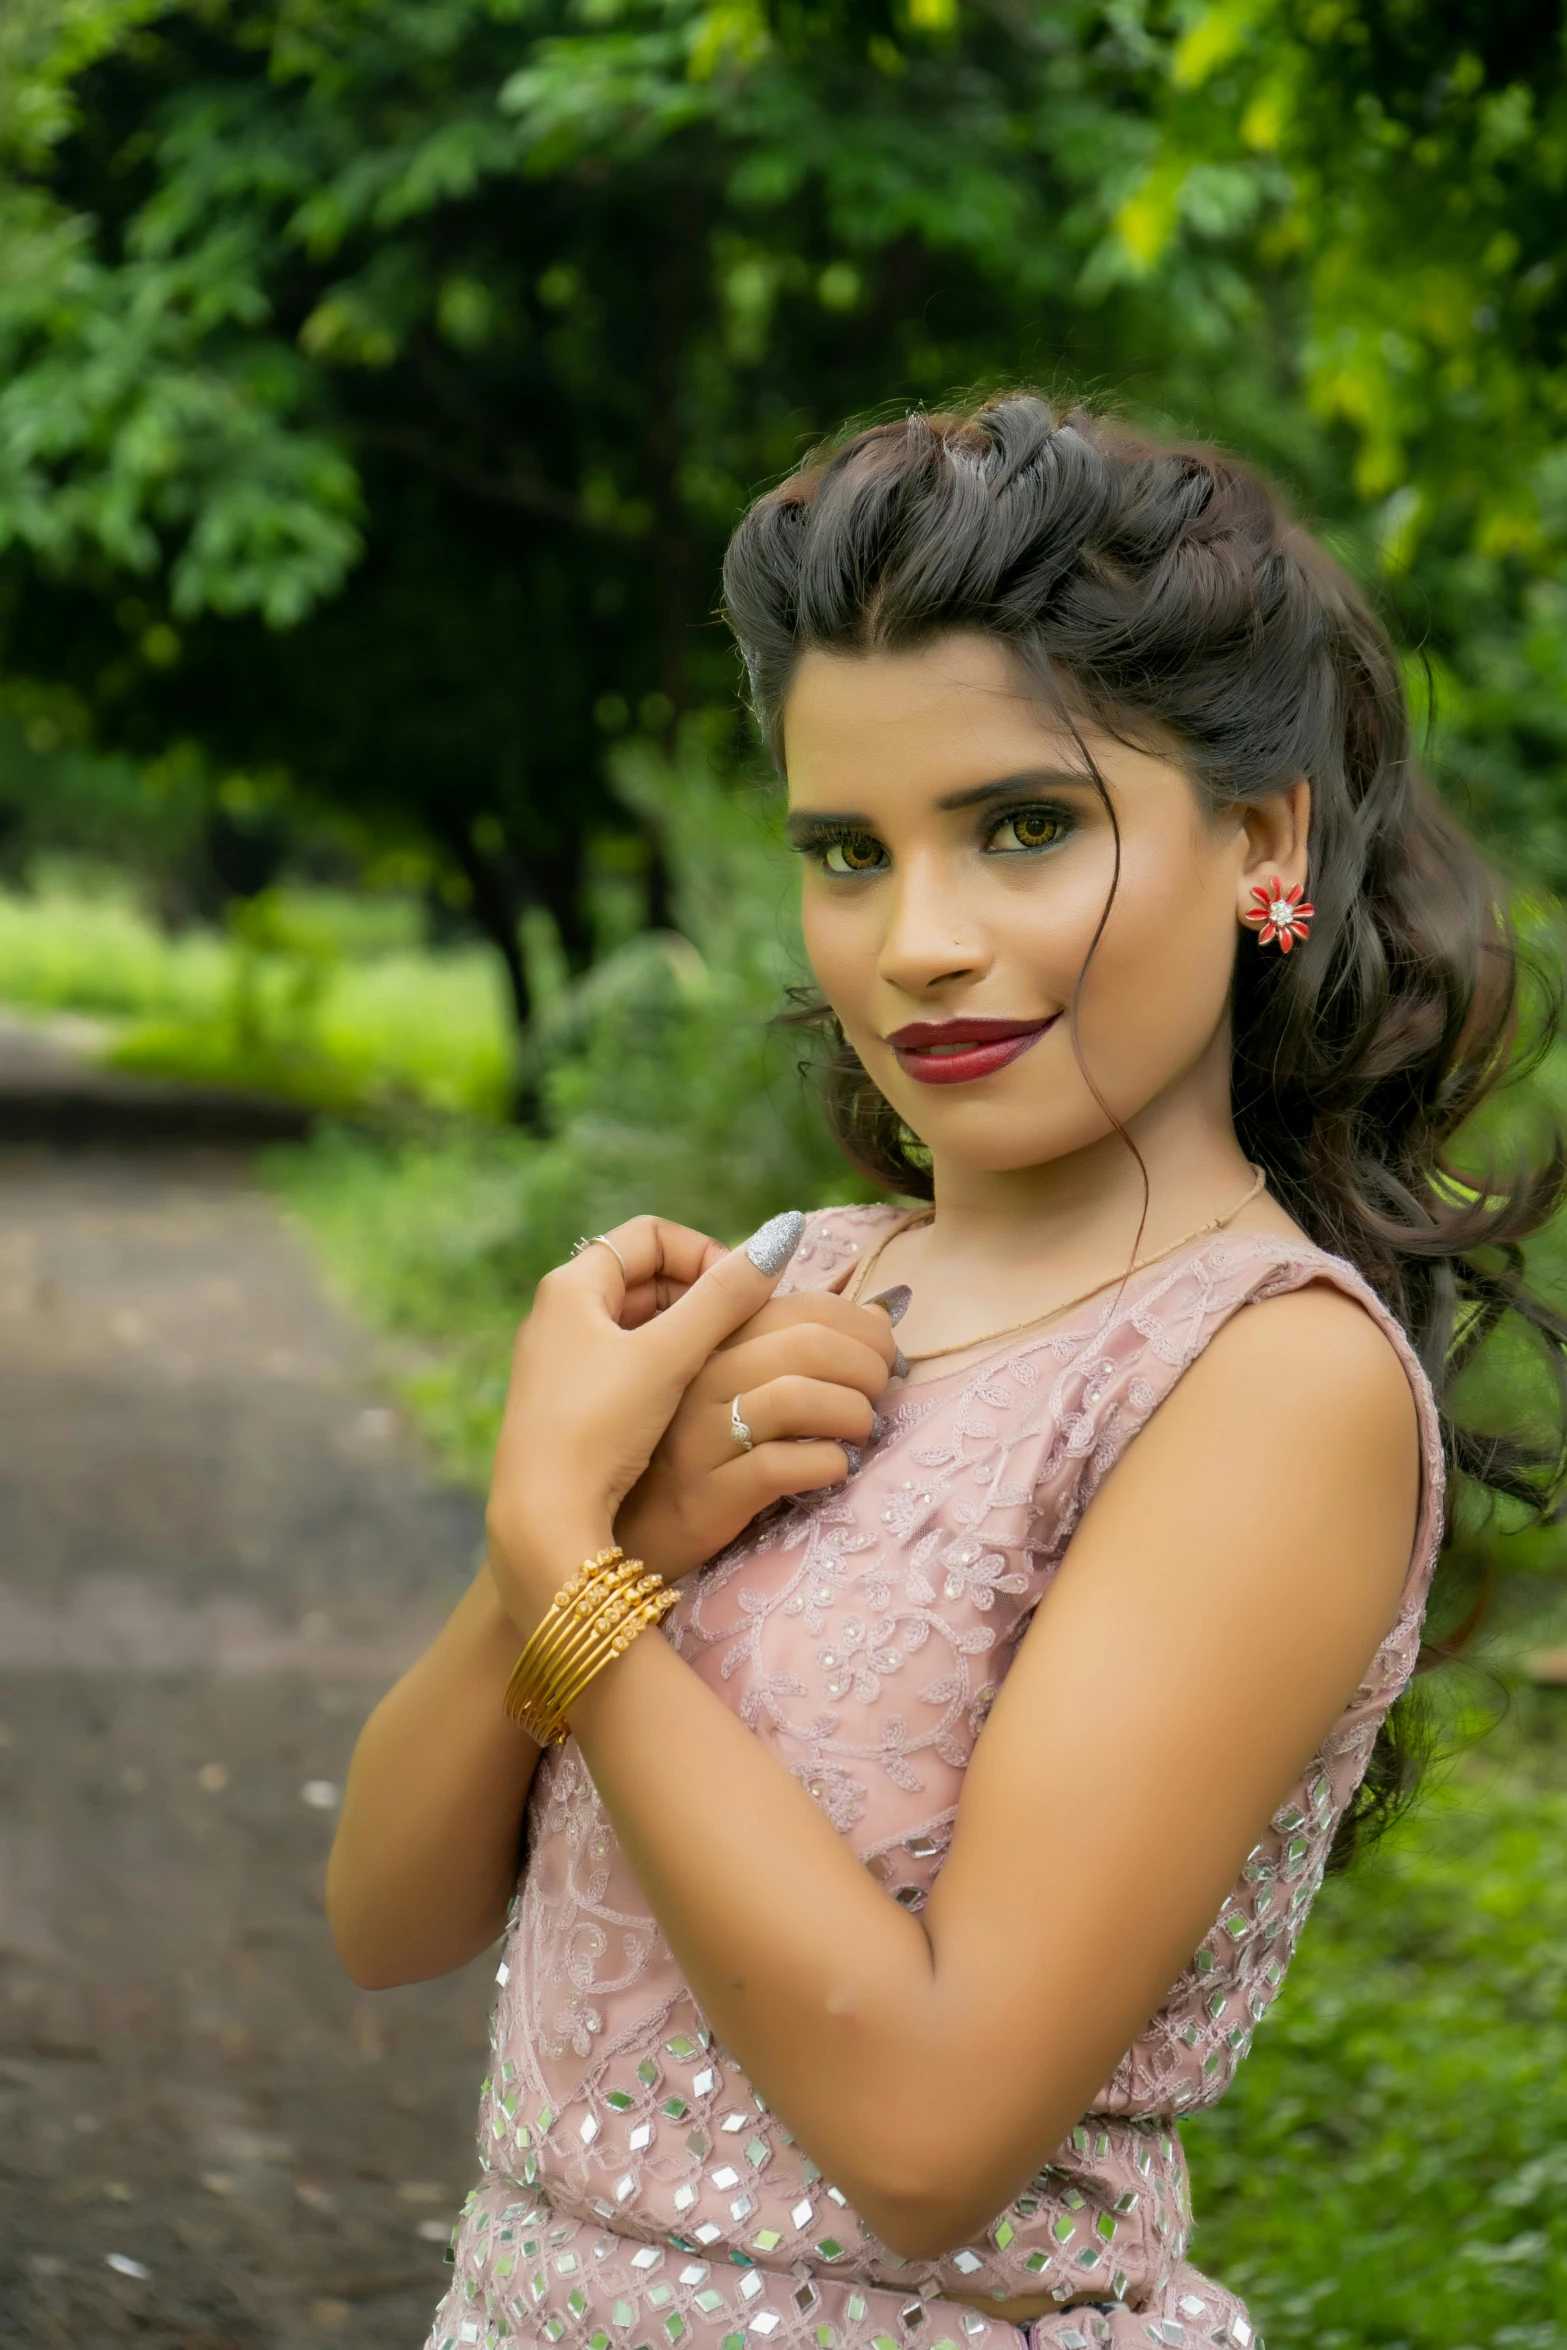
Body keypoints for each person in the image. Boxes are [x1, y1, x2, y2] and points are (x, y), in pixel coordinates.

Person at [325, 397, 1566, 2350]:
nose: (916, 941)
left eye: (1024, 825)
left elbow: (928, 2126)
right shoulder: (790, 1282)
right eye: (846, 847)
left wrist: (573, 1555)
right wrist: (570, 1546)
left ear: (1263, 838)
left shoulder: (1262, 1379)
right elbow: (386, 1913)